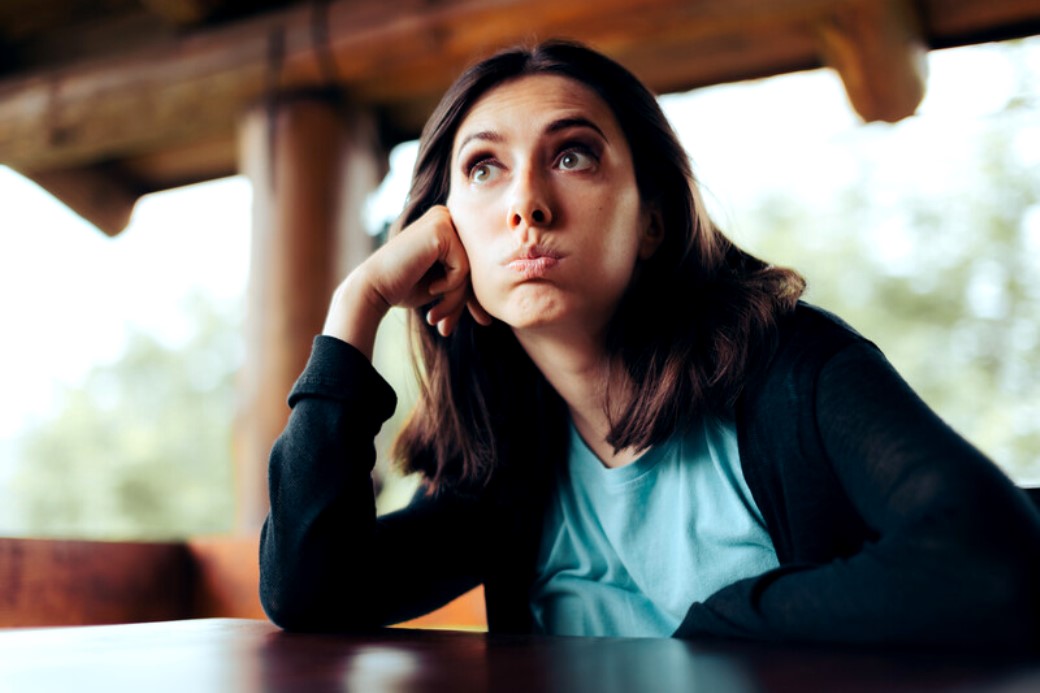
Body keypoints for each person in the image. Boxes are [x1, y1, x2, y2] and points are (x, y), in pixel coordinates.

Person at [259, 39, 1040, 650]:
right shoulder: (506, 459)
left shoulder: (793, 366)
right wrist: (353, 306)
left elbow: (991, 558)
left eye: (572, 155)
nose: (527, 203)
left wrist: (724, 620)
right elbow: (311, 594)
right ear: (446, 238)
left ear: (653, 220)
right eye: (485, 168)